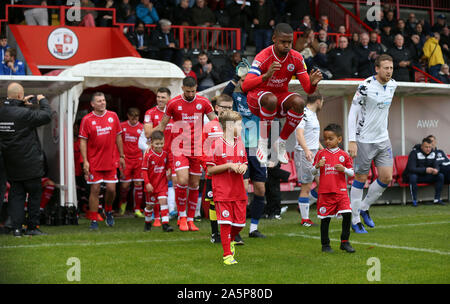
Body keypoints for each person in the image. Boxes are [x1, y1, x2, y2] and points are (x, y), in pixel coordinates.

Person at [242, 23, 322, 166]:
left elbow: (308, 90)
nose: (286, 45)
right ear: (274, 39)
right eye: (283, 42)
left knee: (299, 102)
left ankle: (281, 141)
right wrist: (266, 75)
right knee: (270, 99)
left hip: (279, 97)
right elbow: (245, 86)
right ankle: (263, 140)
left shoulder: (297, 58)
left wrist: (313, 83)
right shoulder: (263, 56)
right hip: (257, 98)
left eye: (289, 42)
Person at [156, 76, 217, 231]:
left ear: (196, 88)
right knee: (182, 181)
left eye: (193, 91)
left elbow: (214, 121)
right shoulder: (173, 103)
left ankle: (190, 219)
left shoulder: (203, 102)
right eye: (188, 91)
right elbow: (163, 124)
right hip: (179, 147)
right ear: (182, 88)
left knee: (194, 184)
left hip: (197, 148)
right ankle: (181, 216)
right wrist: (153, 142)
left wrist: (224, 135)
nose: (191, 94)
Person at [348, 54, 397, 234]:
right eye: (386, 68)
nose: (389, 71)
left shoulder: (393, 85)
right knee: (360, 178)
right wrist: (352, 140)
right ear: (377, 69)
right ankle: (354, 220)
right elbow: (352, 113)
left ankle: (364, 207)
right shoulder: (365, 86)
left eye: (391, 68)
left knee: (386, 177)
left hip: (383, 139)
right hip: (364, 140)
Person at [0, 82, 51, 237]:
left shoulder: (2, 112)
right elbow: (46, 116)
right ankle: (32, 227)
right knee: (35, 195)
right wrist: (42, 100)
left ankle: (16, 229)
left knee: (16, 196)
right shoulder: (23, 114)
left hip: (11, 162)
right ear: (20, 95)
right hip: (30, 163)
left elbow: (16, 116)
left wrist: (22, 104)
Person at [205, 110, 248, 265]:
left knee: (240, 224)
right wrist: (229, 165)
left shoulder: (240, 143)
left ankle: (229, 240)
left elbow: (244, 162)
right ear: (229, 126)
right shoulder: (215, 145)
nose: (242, 127)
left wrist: (243, 166)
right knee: (225, 223)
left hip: (238, 190)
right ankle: (227, 255)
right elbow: (209, 170)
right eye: (239, 124)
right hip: (222, 191)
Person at [79, 92, 126, 230]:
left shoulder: (113, 116)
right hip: (94, 162)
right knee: (95, 189)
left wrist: (122, 156)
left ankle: (108, 209)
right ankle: (94, 219)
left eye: (104, 100)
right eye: (99, 101)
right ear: (92, 104)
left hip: (111, 160)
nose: (102, 103)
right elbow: (83, 141)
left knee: (111, 190)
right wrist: (85, 161)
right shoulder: (87, 119)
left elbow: (118, 137)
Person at [311, 123, 355, 253]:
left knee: (347, 214)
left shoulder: (344, 155)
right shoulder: (320, 154)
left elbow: (352, 173)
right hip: (325, 192)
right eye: (325, 139)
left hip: (341, 191)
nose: (327, 141)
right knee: (325, 219)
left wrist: (344, 169)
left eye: (331, 139)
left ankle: (345, 242)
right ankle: (325, 245)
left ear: (339, 139)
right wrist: (317, 166)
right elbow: (312, 172)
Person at [141, 87, 175, 227]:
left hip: (172, 153)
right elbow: (148, 134)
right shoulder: (150, 113)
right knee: (153, 188)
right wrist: (162, 124)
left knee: (176, 183)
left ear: (169, 98)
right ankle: (154, 218)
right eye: (158, 97)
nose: (160, 100)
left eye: (163, 97)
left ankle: (176, 215)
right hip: (156, 154)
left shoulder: (174, 112)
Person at [202, 94, 232, 243]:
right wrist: (206, 166)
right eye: (224, 107)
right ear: (217, 108)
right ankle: (215, 234)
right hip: (213, 171)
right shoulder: (208, 126)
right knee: (213, 202)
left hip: (229, 172)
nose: (227, 110)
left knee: (229, 201)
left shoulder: (233, 125)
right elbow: (202, 148)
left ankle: (232, 233)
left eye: (230, 108)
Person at [294, 92, 323, 227]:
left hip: (314, 153)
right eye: (322, 101)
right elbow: (299, 134)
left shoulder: (313, 114)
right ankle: (305, 219)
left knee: (322, 184)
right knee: (306, 186)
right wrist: (306, 150)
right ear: (318, 101)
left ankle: (303, 205)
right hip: (305, 154)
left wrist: (323, 151)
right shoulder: (303, 113)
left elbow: (313, 137)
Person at [142, 130, 174, 232]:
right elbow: (144, 170)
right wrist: (147, 183)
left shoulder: (165, 153)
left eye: (161, 143)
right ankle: (147, 223)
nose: (159, 146)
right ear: (151, 143)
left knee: (163, 201)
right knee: (150, 205)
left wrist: (169, 170)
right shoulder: (148, 155)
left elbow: (168, 164)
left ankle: (165, 224)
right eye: (157, 144)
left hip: (162, 183)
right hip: (151, 185)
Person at [402, 137, 445, 207]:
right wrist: (425, 170)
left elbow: (436, 165)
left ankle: (437, 199)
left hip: (427, 176)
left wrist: (436, 170)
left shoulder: (433, 153)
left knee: (440, 176)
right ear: (422, 146)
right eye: (426, 147)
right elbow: (411, 168)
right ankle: (414, 200)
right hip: (416, 176)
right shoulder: (414, 153)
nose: (428, 149)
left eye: (429, 147)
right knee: (413, 177)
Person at [118, 107, 144, 218]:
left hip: (138, 159)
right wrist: (120, 157)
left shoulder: (142, 128)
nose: (134, 119)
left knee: (138, 184)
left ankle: (137, 209)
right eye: (132, 116)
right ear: (128, 116)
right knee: (125, 185)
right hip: (126, 160)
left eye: (136, 116)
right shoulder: (122, 126)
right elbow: (118, 142)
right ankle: (123, 203)